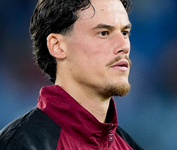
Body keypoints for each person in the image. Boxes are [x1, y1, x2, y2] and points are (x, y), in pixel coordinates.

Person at [0, 0, 144, 149]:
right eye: (103, 33)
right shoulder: (22, 144)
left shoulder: (130, 146)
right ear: (57, 46)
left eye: (125, 33)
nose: (124, 46)